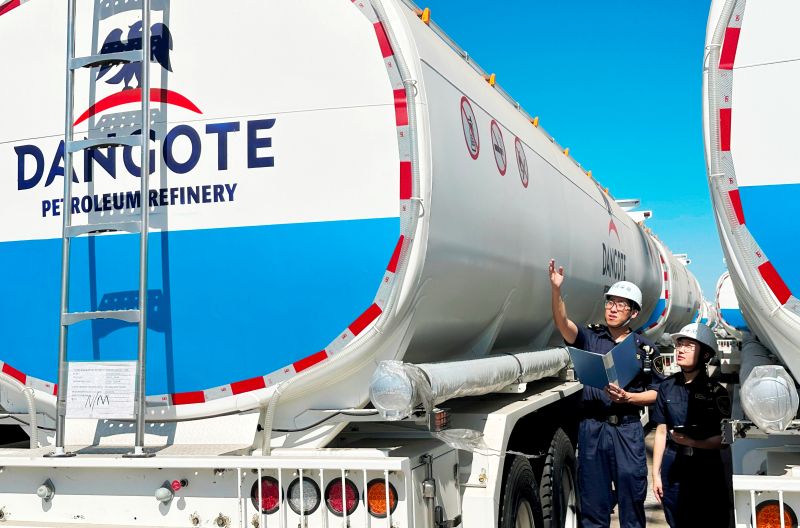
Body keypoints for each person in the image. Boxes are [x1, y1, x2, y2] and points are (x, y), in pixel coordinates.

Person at [549, 259, 663, 528]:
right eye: (610, 302)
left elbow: (658, 393)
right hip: (593, 428)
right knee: (592, 504)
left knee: (632, 500)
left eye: (621, 305)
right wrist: (556, 290)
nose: (613, 309)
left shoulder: (645, 349)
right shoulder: (590, 338)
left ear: (633, 313)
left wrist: (629, 398)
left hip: (627, 430)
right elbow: (562, 323)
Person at [651, 323, 731, 528]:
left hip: (706, 469)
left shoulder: (718, 392)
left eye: (689, 346)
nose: (681, 350)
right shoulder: (666, 387)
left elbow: (727, 439)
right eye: (679, 344)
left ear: (705, 354)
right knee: (676, 520)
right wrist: (655, 474)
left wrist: (694, 442)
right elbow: (661, 431)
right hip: (673, 466)